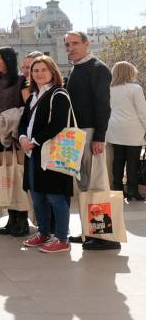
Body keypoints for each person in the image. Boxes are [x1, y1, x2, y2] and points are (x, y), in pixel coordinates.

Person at [64, 31, 117, 250]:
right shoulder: (77, 68)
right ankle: (90, 231)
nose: (70, 48)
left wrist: (99, 137)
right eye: (67, 45)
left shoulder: (97, 68)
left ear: (88, 43)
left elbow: (103, 105)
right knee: (84, 185)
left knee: (96, 186)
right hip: (77, 135)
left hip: (90, 133)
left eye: (75, 43)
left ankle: (104, 237)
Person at [19, 55, 72, 253]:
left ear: (52, 72)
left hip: (50, 152)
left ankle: (61, 238)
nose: (39, 73)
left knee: (55, 196)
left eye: (43, 70)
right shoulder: (33, 95)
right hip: (33, 153)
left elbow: (58, 124)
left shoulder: (59, 94)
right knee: (38, 195)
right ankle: (43, 233)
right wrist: (23, 137)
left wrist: (35, 140)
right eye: (35, 70)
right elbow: (24, 121)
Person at [0, 47, 31, 236]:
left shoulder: (21, 81)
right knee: (6, 177)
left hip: (16, 137)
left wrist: (15, 128)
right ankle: (12, 218)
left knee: (18, 178)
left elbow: (28, 107)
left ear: (8, 60)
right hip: (0, 136)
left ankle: (22, 219)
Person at [107, 61, 146, 200]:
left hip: (114, 130)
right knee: (133, 162)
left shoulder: (109, 89)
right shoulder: (135, 88)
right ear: (130, 72)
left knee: (117, 161)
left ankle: (117, 190)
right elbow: (143, 112)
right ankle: (132, 191)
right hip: (132, 130)